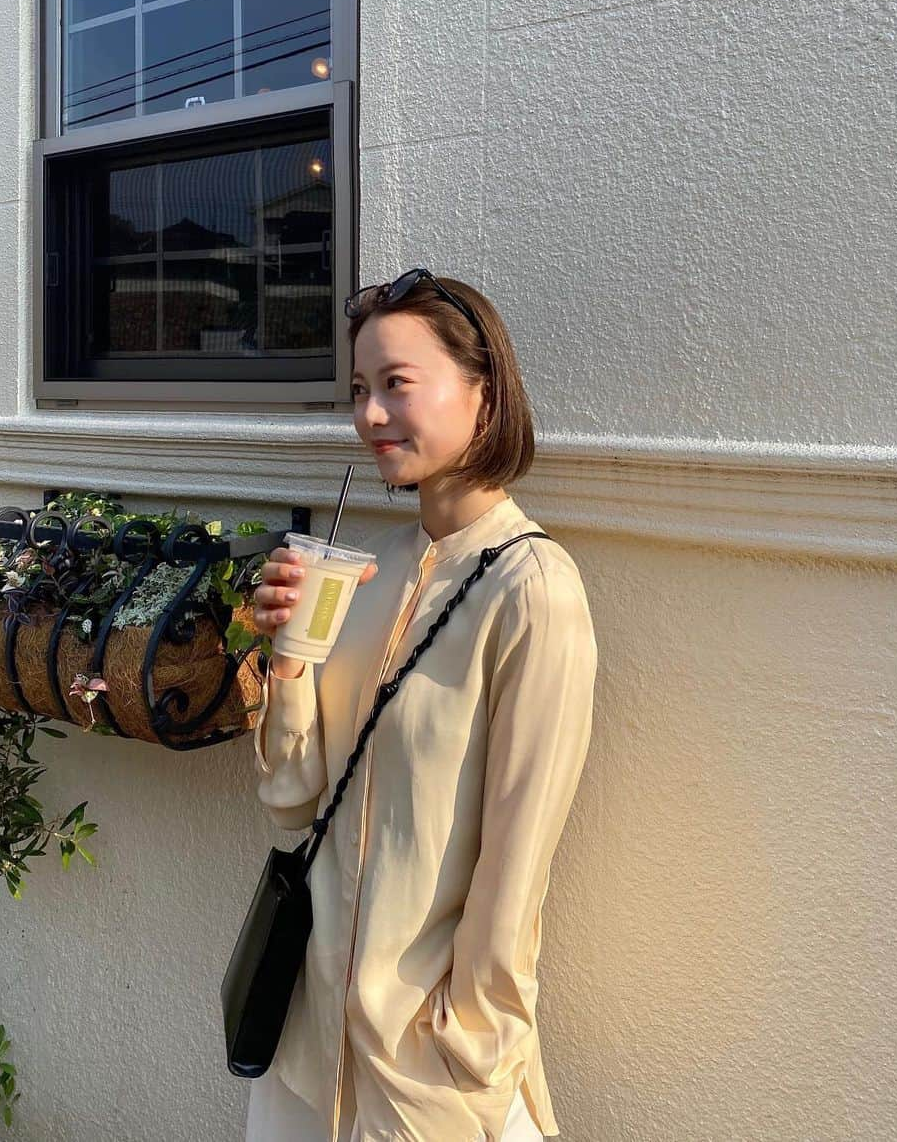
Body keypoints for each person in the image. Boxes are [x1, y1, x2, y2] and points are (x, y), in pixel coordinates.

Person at [246, 269, 597, 1142]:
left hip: (425, 1076)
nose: (368, 416)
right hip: (307, 1047)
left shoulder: (533, 590)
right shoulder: (367, 573)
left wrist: (466, 1053)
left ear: (484, 392)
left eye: (396, 384)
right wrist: (288, 653)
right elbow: (292, 798)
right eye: (359, 390)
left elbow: (517, 868)